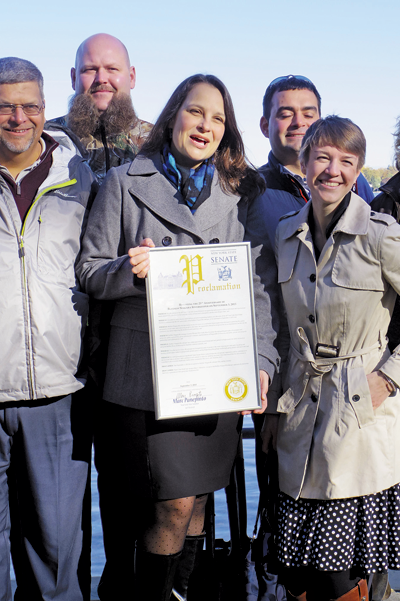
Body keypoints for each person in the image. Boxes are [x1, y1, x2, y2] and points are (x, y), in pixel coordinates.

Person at [77, 73, 280, 601]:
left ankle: (179, 591)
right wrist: (129, 268)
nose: (205, 125)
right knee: (171, 505)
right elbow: (89, 271)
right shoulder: (123, 182)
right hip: (144, 378)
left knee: (196, 504)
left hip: (212, 371)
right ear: (173, 117)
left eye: (217, 118)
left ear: (226, 133)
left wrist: (260, 361)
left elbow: (254, 291)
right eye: (196, 112)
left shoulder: (238, 198)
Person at [270, 115, 400, 601]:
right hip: (299, 415)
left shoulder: (381, 235)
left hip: (359, 423)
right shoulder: (285, 235)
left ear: (359, 169)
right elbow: (280, 326)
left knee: (342, 577)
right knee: (299, 575)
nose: (333, 170)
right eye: (322, 157)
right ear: (303, 163)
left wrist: (388, 378)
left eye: (347, 161)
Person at [0, 57, 97, 601]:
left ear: (44, 108)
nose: (19, 117)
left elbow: (93, 267)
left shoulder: (78, 179)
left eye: (30, 105)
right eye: (6, 106)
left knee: (56, 556)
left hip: (58, 394)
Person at [45, 33, 152, 182]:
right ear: (74, 78)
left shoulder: (157, 144)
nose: (101, 78)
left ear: (131, 77)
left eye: (112, 69)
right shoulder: (46, 140)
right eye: (90, 69)